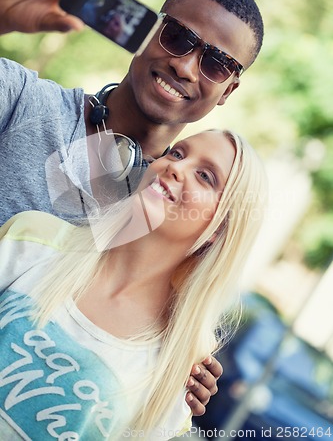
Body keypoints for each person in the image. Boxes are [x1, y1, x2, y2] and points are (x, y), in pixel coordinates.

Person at [0, 0, 264, 414]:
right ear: (148, 30)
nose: (185, 66)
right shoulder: (21, 99)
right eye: (178, 37)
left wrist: (161, 369)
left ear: (229, 89)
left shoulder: (176, 214)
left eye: (216, 63)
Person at [0, 129, 268, 440]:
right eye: (177, 153)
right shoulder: (35, 238)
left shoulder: (179, 364)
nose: (176, 167)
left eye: (205, 176)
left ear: (218, 231)